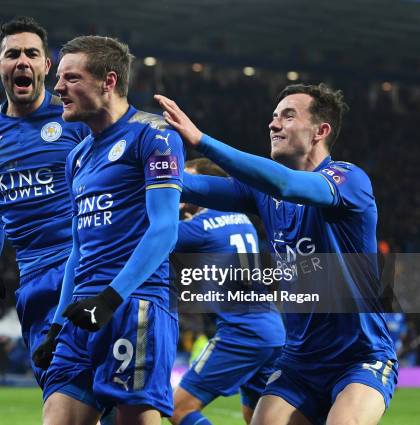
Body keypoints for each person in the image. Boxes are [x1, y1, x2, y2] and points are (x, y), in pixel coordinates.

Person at [155, 83, 397, 425]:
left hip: (360, 357)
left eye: (287, 115)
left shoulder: (348, 180)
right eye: (273, 116)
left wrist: (202, 141)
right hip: (298, 362)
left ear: (320, 131)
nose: (273, 124)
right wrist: (132, 159)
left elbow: (288, 184)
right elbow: (188, 185)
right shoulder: (262, 195)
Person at [32, 35, 184, 425]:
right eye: (59, 78)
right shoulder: (77, 157)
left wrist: (111, 298)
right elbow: (78, 250)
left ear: (108, 81)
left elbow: (165, 229)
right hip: (81, 313)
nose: (58, 88)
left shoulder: (154, 135)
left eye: (71, 78)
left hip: (134, 306)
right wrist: (56, 326)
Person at [0, 16, 89, 393]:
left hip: (84, 268)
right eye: (12, 53)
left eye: (32, 53)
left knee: (106, 399)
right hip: (33, 283)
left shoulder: (77, 120)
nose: (22, 61)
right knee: (62, 395)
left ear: (46, 66)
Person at [170, 158, 285, 425]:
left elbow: (154, 235)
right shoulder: (242, 219)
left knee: (179, 409)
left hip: (241, 332)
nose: (182, 188)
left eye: (189, 182)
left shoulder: (200, 227)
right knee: (257, 418)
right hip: (272, 329)